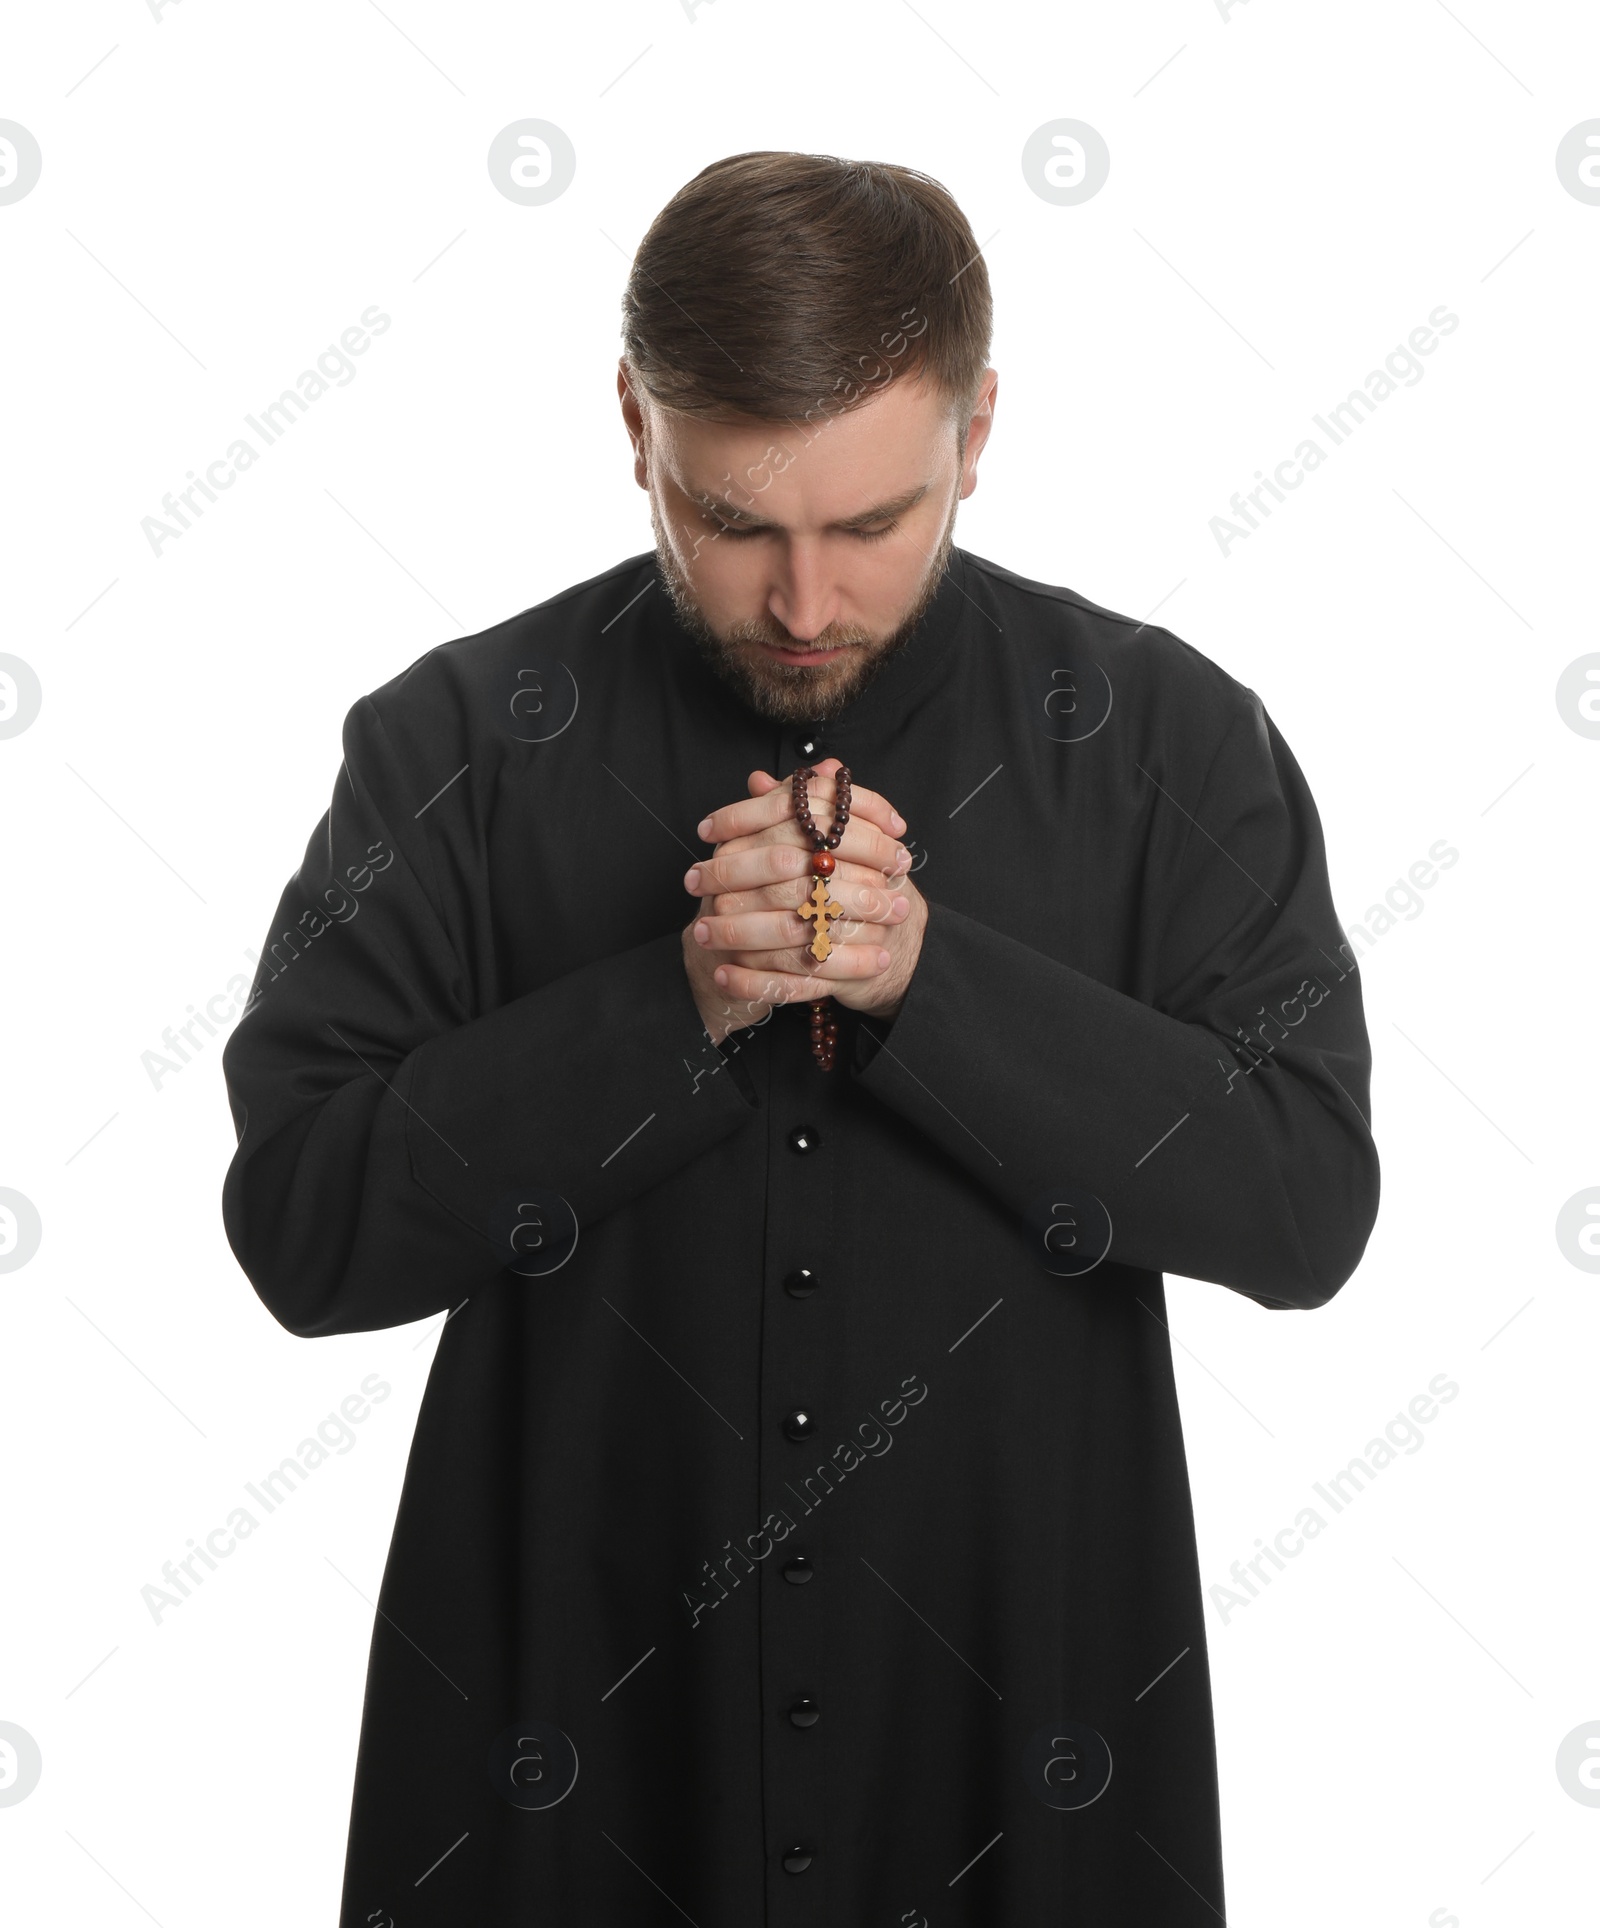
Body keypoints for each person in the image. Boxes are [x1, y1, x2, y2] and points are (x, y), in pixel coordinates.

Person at [220, 149, 1380, 1926]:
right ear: (634, 425)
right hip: (563, 1763)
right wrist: (671, 1006)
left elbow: (1305, 1206)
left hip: (1030, 1754)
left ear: (977, 433)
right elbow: (304, 1226)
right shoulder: (447, 741)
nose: (806, 603)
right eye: (735, 523)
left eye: (872, 524)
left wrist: (937, 986)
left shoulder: (1168, 741)